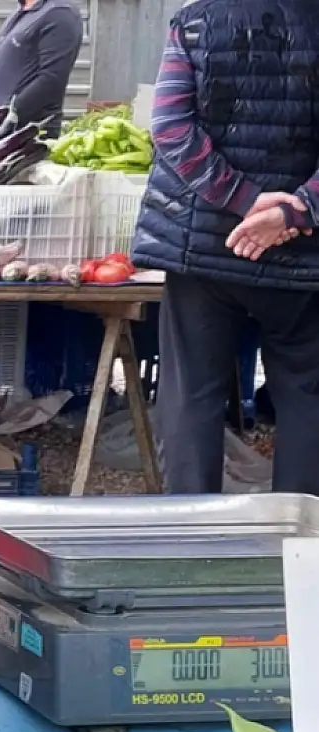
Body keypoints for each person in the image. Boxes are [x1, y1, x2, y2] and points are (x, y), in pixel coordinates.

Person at [130, 0, 319, 496]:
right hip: (302, 256)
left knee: (191, 393)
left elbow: (170, 128)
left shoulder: (197, 20)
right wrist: (295, 211)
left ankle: (189, 528)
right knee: (306, 394)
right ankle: (300, 533)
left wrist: (243, 199)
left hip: (203, 247)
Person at [0, 0, 82, 135]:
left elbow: (52, 79)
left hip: (24, 136)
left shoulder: (60, 13)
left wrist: (6, 116)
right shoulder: (21, 11)